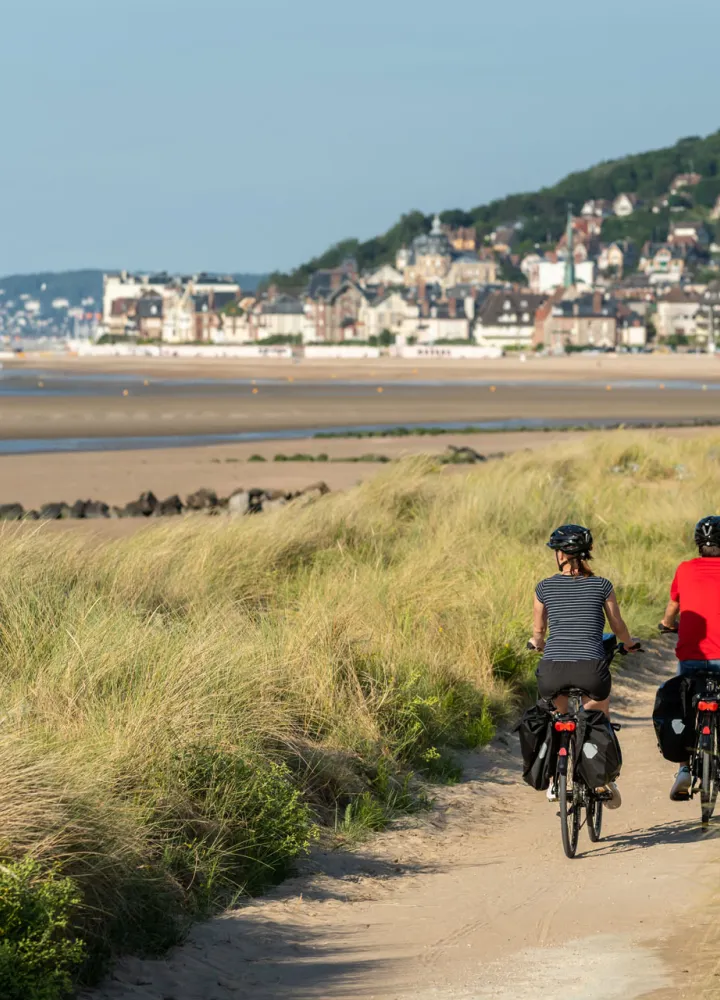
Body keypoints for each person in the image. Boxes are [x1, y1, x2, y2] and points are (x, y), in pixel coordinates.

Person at [531, 523, 640, 809]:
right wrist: (628, 644)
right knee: (597, 717)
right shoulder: (602, 585)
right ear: (585, 554)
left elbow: (538, 632)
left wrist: (537, 644)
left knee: (558, 715)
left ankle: (556, 779)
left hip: (553, 669)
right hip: (591, 668)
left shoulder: (543, 587)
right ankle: (602, 775)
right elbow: (617, 626)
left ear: (561, 555)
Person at [660, 515, 720, 800]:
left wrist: (667, 625)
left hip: (692, 658)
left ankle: (684, 769)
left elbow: (673, 607)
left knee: (686, 707)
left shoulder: (684, 569)